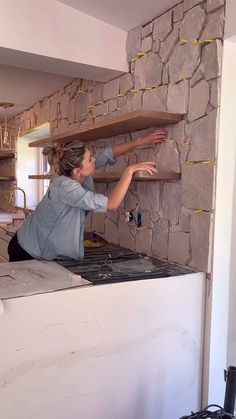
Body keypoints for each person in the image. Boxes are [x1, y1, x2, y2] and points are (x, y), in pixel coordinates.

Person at [8, 129, 167, 262]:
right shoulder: (66, 187)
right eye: (90, 159)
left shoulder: (77, 172)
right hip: (27, 251)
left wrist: (142, 141)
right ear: (77, 170)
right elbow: (112, 204)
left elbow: (109, 153)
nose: (94, 160)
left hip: (32, 244)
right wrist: (129, 170)